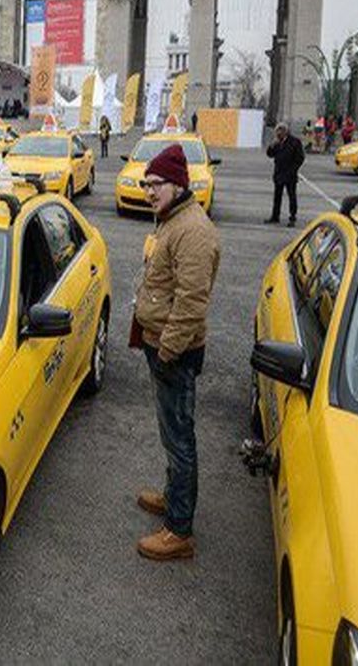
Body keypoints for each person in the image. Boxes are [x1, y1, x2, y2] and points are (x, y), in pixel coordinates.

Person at [132, 143, 220, 561]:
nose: (150, 191)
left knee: (181, 439)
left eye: (156, 185)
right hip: (161, 344)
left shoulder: (193, 231)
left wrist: (166, 350)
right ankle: (173, 498)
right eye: (146, 184)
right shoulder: (172, 218)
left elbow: (191, 303)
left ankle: (179, 530)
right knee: (172, 435)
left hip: (175, 352)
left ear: (178, 184)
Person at [266, 122, 304, 227]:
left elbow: (300, 158)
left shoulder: (295, 142)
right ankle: (275, 216)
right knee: (277, 197)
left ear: (285, 131)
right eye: (277, 131)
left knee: (292, 196)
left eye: (280, 131)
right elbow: (270, 154)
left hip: (290, 175)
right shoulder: (277, 142)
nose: (278, 133)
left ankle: (292, 218)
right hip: (279, 174)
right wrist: (272, 145)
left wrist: (293, 170)